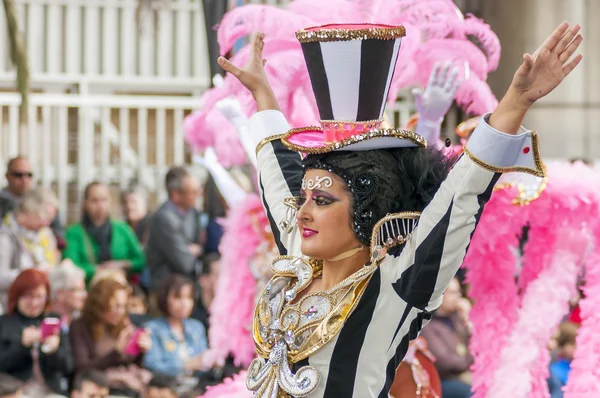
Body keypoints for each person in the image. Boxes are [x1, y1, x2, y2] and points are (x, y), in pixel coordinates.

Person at [215, 19, 582, 397]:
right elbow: (279, 171)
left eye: (322, 201)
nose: (302, 211)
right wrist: (263, 93)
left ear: (365, 212)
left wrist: (516, 102)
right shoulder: (299, 258)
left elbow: (461, 196)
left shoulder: (397, 286)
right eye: (304, 198)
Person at [0, 269, 73, 397]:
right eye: (28, 296)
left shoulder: (54, 320)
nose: (34, 303)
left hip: (50, 389)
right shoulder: (5, 323)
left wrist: (53, 349)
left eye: (39, 296)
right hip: (15, 389)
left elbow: (69, 366)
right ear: (17, 296)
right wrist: (22, 345)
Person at [63, 182, 146, 283]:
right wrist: (101, 270)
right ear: (85, 203)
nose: (100, 205)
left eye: (104, 200)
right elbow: (71, 266)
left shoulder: (122, 229)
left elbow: (141, 260)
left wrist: (123, 264)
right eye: (94, 201)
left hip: (120, 288)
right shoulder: (74, 232)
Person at [146, 167, 204, 292]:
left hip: (186, 288)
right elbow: (184, 262)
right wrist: (190, 251)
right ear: (175, 194)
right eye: (192, 192)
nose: (198, 196)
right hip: (166, 290)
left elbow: (202, 246)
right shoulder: (164, 219)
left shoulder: (193, 213)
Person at [0, 156, 65, 247]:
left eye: (29, 175)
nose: (24, 180)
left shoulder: (42, 199)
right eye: (18, 175)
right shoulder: (2, 203)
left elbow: (58, 233)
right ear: (7, 176)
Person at [48, 260, 87, 330]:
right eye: (78, 290)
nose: (85, 295)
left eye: (84, 290)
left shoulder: (81, 321)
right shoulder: (46, 322)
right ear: (60, 294)